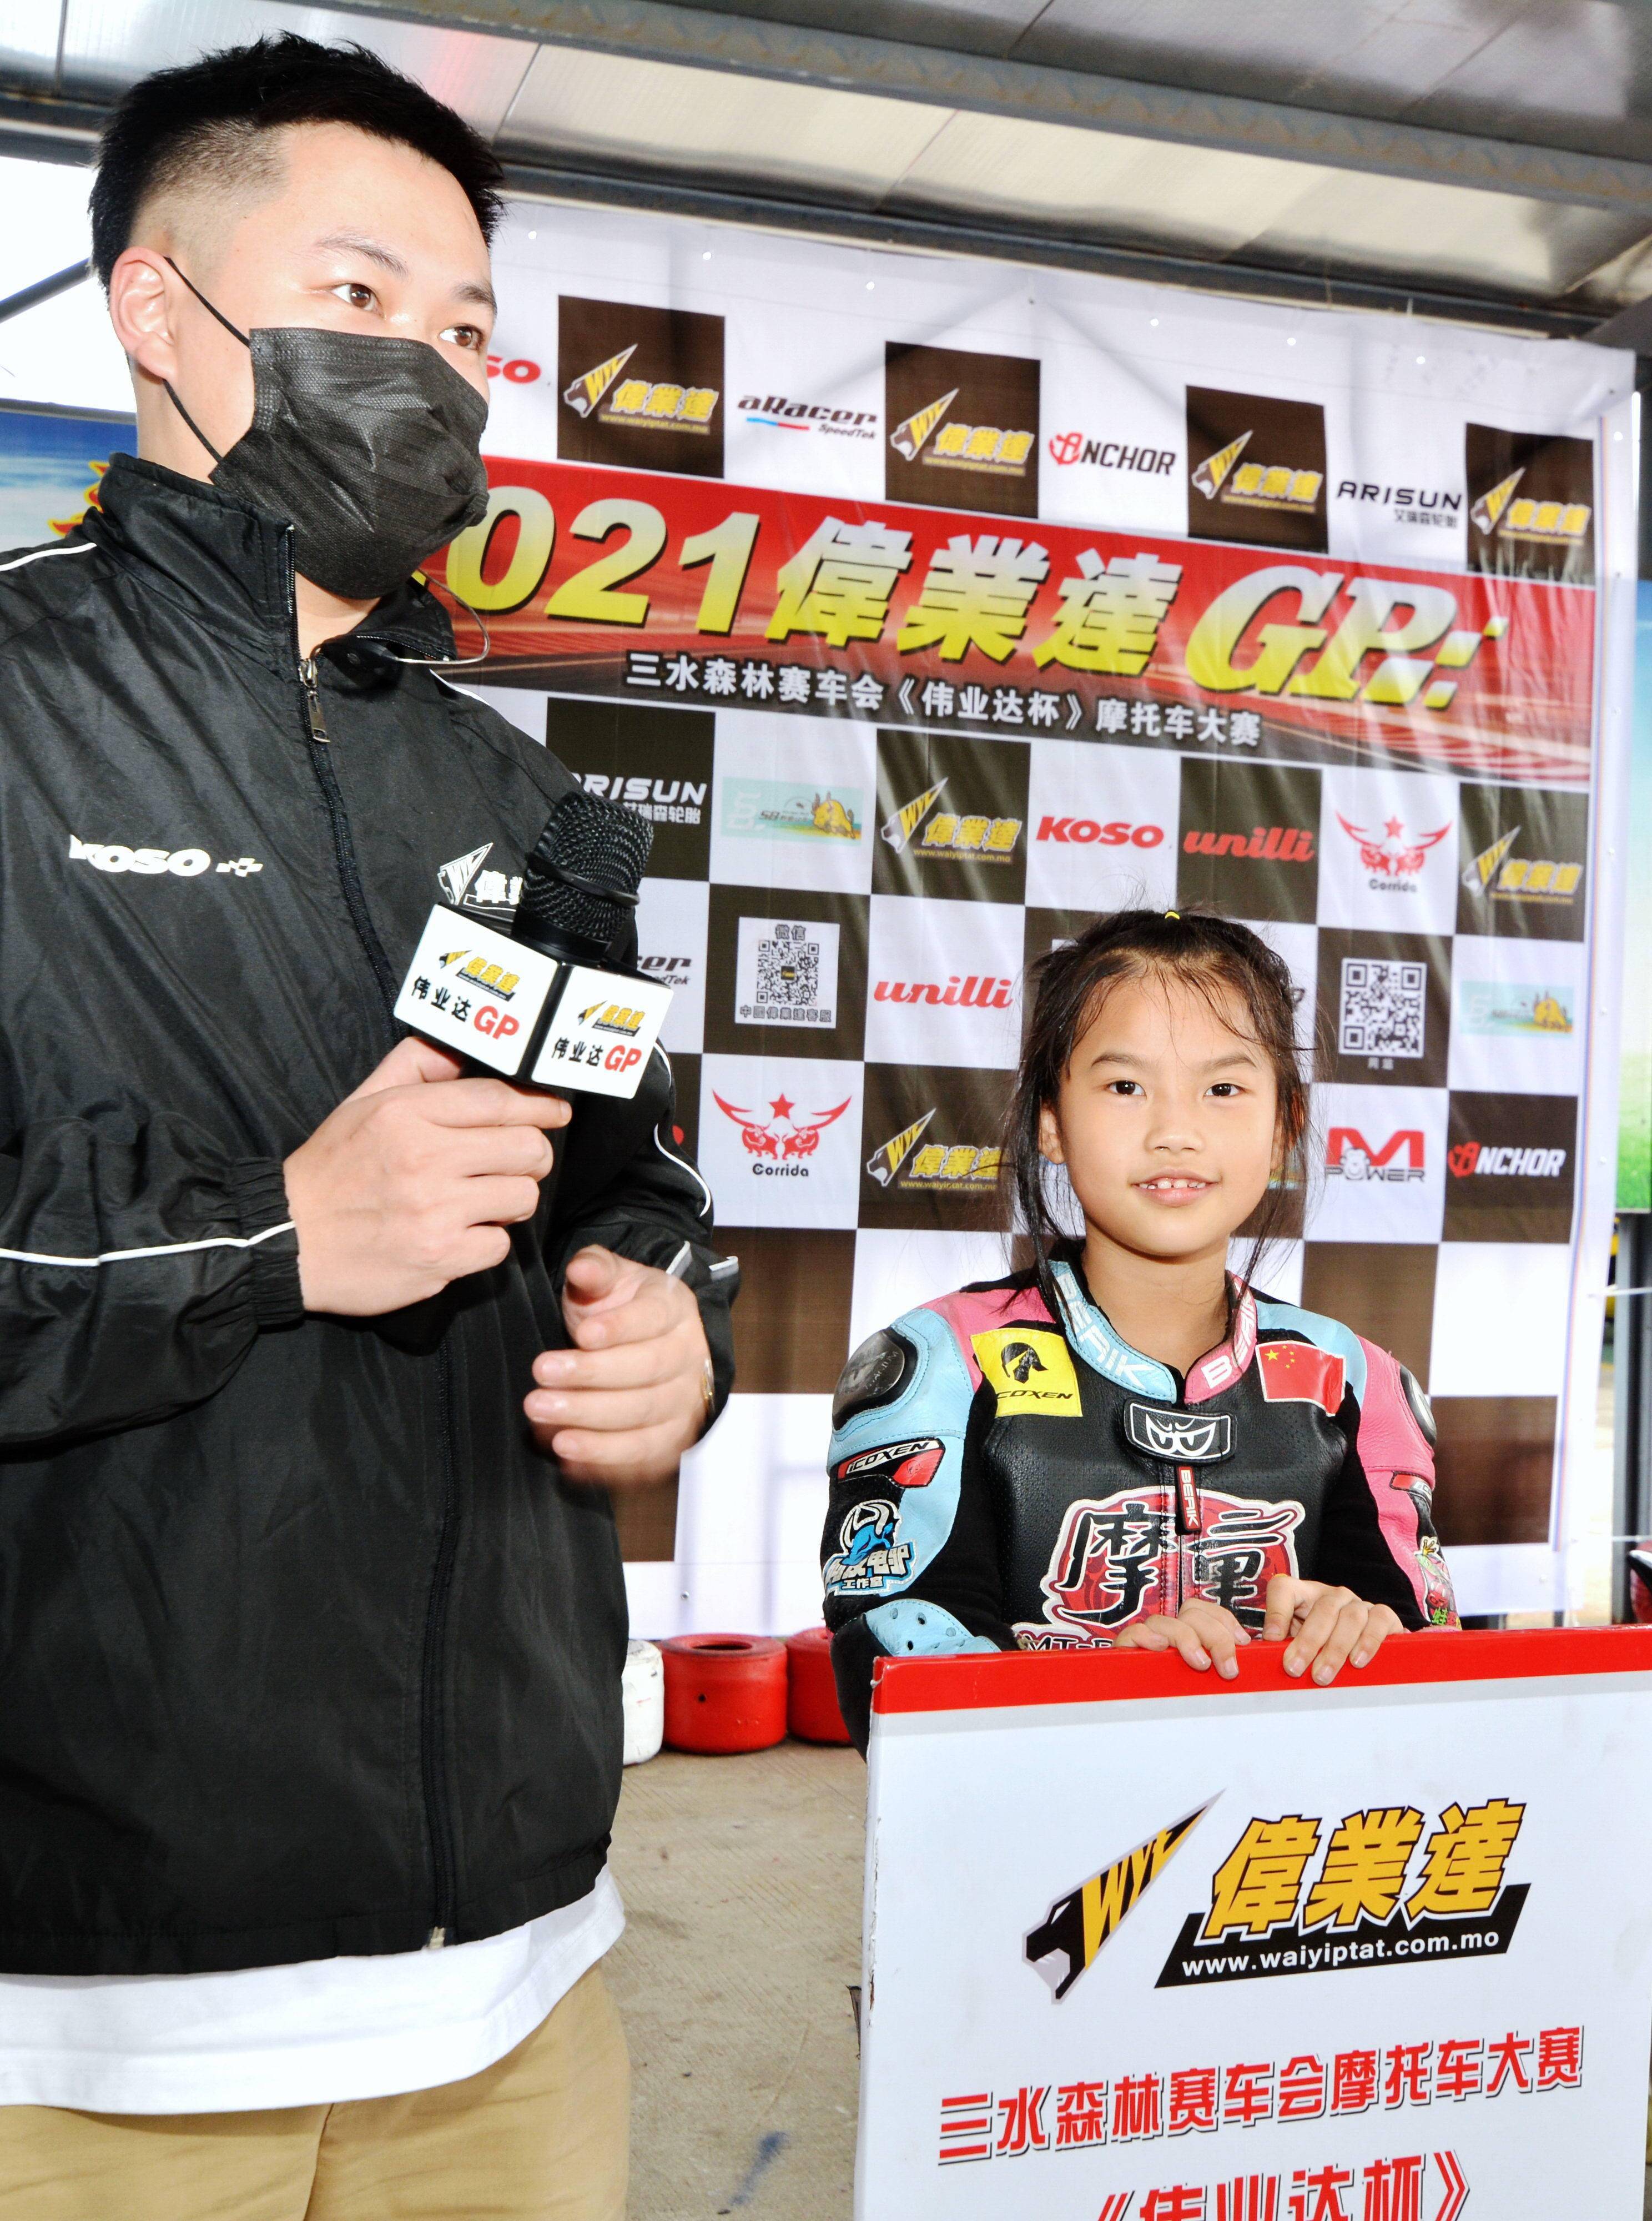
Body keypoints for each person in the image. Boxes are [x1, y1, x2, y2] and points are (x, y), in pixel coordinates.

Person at [0, 34, 736, 2220]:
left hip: (516, 1976)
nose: (425, 367)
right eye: (354, 296)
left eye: (469, 329)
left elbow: (634, 1178)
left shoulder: (519, 798)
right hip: (84, 2021)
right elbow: (280, 1228)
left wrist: (666, 1328)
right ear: (156, 310)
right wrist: (268, 1233)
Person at [823, 909, 1455, 1751]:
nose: (1175, 1132)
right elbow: (892, 1668)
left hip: (1280, 1830)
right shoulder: (942, 1364)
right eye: (1126, 1086)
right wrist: (1108, 1689)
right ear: (1050, 1119)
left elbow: (1434, 1692)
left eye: (1223, 1089)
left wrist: (1364, 1633)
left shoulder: (1357, 1383)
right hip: (1035, 1827)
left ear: (1284, 1126)